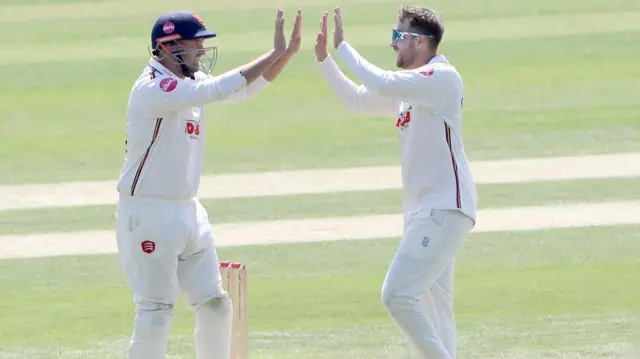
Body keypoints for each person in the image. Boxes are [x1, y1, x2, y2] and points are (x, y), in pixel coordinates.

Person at [114, 8, 302, 359]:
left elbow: (243, 91)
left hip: (189, 212)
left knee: (216, 305)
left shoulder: (187, 86)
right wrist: (273, 53)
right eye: (195, 44)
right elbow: (220, 88)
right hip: (148, 214)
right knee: (155, 314)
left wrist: (285, 56)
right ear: (168, 47)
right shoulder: (156, 88)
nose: (201, 52)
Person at [315, 6, 477, 359]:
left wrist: (344, 48)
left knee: (397, 295)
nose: (392, 45)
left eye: (397, 37)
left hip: (444, 207)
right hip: (425, 211)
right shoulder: (413, 90)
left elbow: (381, 81)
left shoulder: (441, 78)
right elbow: (357, 99)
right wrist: (325, 60)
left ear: (420, 41)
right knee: (435, 311)